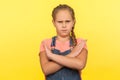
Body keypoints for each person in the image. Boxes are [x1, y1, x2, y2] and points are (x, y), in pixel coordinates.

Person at [39, 4, 88, 80]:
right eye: (60, 22)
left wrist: (52, 56)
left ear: (73, 22)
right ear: (54, 22)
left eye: (67, 21)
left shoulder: (79, 43)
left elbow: (80, 64)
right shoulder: (46, 43)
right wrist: (72, 55)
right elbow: (46, 69)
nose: (64, 25)